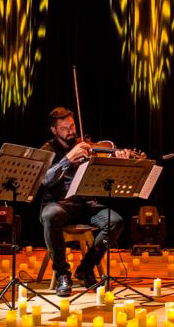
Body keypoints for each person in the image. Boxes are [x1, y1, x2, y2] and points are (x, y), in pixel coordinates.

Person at [40, 107, 130, 297]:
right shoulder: (47, 150)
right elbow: (44, 180)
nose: (71, 131)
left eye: (72, 125)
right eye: (64, 128)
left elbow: (107, 175)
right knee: (50, 216)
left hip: (86, 204)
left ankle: (86, 268)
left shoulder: (85, 146)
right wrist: (67, 159)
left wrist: (120, 159)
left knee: (115, 222)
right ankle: (62, 273)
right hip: (59, 204)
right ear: (54, 131)